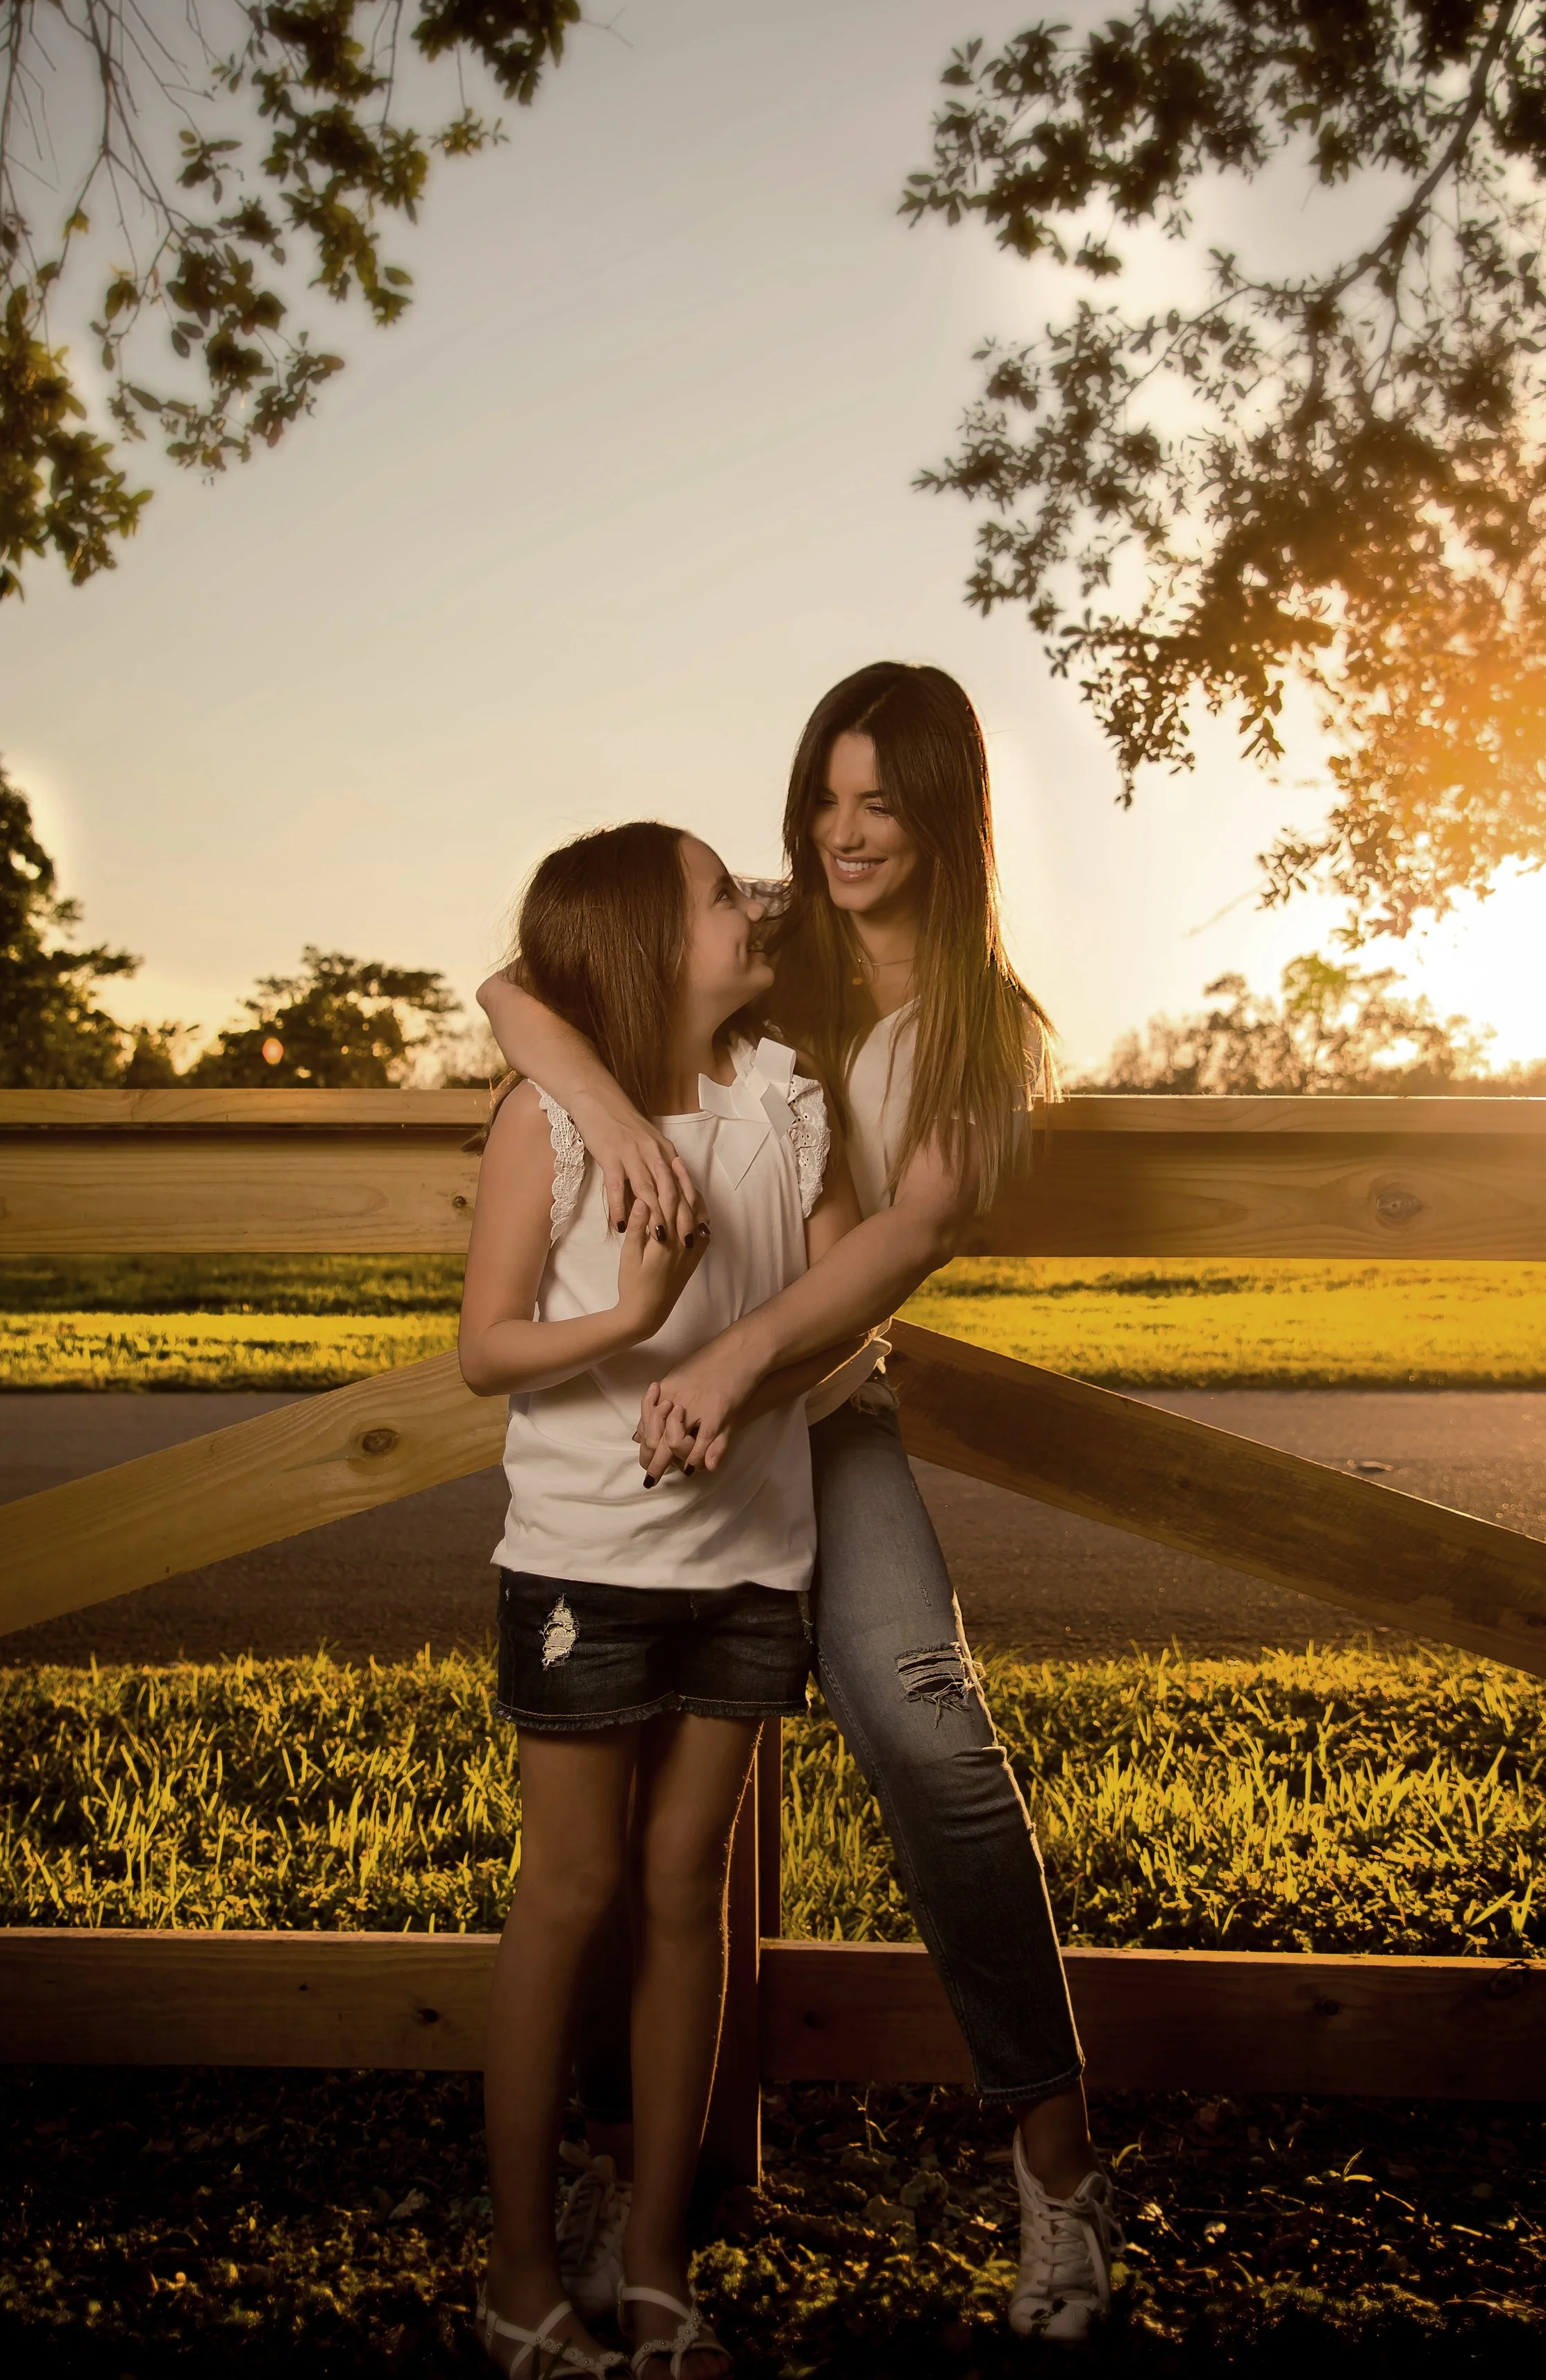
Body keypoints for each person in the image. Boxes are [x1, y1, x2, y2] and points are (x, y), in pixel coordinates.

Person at [480, 665, 1123, 2345]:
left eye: (880, 802)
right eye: (823, 795)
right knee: (630, 1847)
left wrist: (741, 1369)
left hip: (816, 1409)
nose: (840, 833)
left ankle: (1052, 2161)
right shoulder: (774, 950)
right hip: (682, 1429)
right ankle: (631, 2204)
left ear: (943, 816)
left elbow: (895, 1247)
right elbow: (519, 980)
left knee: (923, 1722)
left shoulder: (992, 1035)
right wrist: (609, 1112)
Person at [460, 819, 864, 2379]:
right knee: (566, 1894)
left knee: (686, 1892)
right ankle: (513, 2271)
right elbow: (486, 1347)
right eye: (717, 894)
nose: (754, 902)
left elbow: (832, 1312)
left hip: (751, 1563)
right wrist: (629, 1319)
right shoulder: (551, 1125)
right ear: (641, 944)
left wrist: (749, 1381)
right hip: (584, 1565)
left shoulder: (784, 1100)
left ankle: (651, 2260)